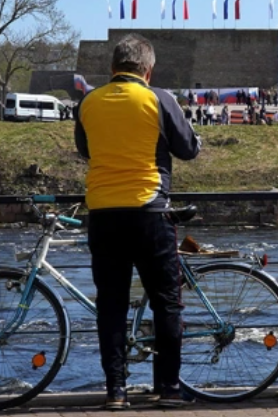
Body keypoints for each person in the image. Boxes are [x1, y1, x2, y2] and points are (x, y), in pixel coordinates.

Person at [74, 34, 201, 410]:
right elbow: (188, 149)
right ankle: (168, 388)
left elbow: (85, 149)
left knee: (111, 306)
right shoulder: (158, 99)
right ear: (148, 70)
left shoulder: (88, 102)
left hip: (102, 212)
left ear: (113, 67)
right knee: (167, 302)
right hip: (149, 211)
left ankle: (116, 391)